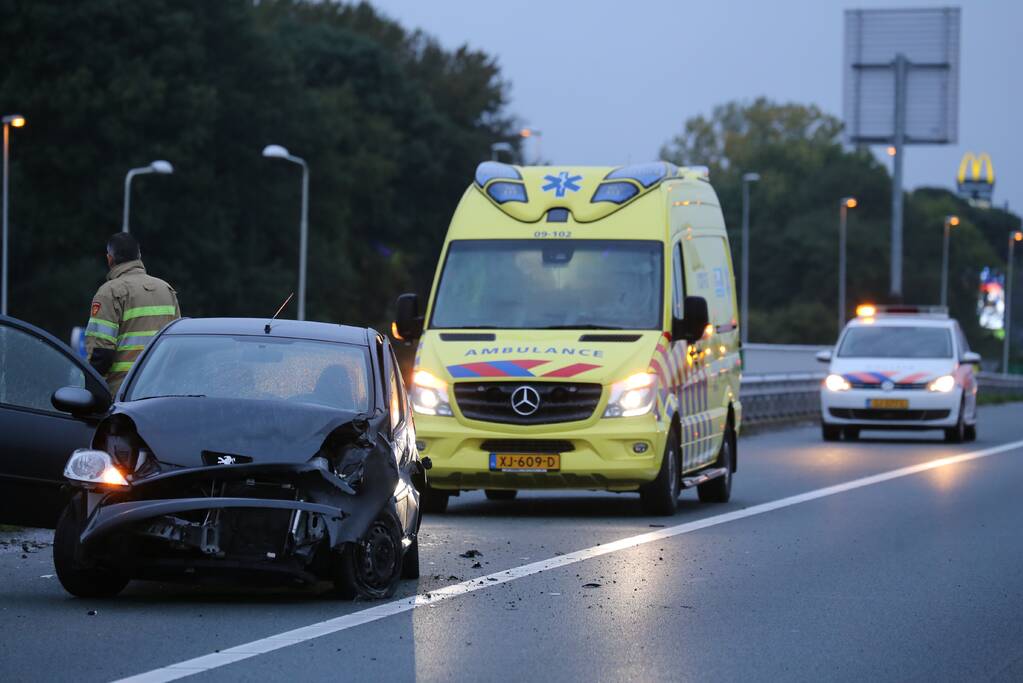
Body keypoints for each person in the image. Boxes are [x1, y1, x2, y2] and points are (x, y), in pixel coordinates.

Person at [85, 233, 180, 393]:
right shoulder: (166, 289)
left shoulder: (109, 292)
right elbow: (177, 344)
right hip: (161, 392)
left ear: (109, 259)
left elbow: (102, 355)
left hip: (122, 393)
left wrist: (88, 389)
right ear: (139, 256)